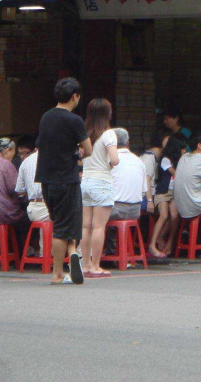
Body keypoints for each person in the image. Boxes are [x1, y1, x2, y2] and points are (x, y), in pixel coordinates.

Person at [35, 77, 92, 285]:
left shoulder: (45, 117)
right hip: (66, 179)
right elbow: (89, 149)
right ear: (75, 96)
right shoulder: (74, 120)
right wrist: (77, 154)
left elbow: (42, 145)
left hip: (46, 180)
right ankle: (57, 272)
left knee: (61, 220)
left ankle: (72, 253)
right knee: (63, 225)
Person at [80, 99, 119, 278]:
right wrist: (111, 163)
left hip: (85, 181)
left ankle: (86, 264)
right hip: (102, 181)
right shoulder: (109, 134)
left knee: (85, 226)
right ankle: (96, 266)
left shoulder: (84, 132)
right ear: (107, 113)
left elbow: (80, 157)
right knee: (98, 227)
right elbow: (115, 159)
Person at [148, 136, 185, 258]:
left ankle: (169, 242)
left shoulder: (180, 161)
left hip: (174, 193)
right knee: (164, 215)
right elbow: (176, 174)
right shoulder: (165, 160)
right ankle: (153, 244)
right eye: (182, 149)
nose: (184, 151)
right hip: (163, 192)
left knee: (174, 216)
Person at [15, 147, 49, 257]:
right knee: (79, 217)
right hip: (49, 206)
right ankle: (80, 255)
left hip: (33, 208)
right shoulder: (55, 158)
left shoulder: (26, 162)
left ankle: (46, 255)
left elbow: (19, 190)